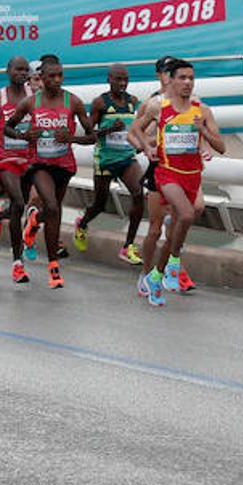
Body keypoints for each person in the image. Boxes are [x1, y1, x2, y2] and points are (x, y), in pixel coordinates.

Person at [128, 58, 225, 307]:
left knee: (182, 221)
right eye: (182, 78)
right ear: (167, 78)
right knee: (165, 224)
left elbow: (221, 146)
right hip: (163, 171)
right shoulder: (155, 105)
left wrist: (202, 133)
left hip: (191, 174)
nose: (187, 83)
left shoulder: (201, 110)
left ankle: (157, 276)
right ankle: (156, 268)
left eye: (191, 78)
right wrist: (146, 147)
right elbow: (134, 130)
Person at [5, 56, 94, 289]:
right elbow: (7, 127)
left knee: (50, 211)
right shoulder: (30, 103)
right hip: (39, 164)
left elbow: (91, 136)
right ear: (41, 78)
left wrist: (71, 138)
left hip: (64, 165)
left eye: (60, 76)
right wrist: (23, 136)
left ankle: (35, 220)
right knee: (53, 207)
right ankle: (53, 265)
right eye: (51, 76)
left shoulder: (72, 102)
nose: (56, 80)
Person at [73, 63, 145, 263]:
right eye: (118, 79)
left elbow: (135, 128)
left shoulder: (133, 102)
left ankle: (128, 246)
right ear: (109, 79)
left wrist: (140, 142)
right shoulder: (100, 103)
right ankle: (83, 223)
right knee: (99, 205)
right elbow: (89, 134)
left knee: (139, 194)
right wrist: (109, 130)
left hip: (127, 158)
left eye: (125, 79)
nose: (122, 83)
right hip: (105, 160)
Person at [0, 56, 34, 277]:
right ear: (8, 70)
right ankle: (17, 263)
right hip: (7, 158)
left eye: (25, 70)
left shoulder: (34, 96)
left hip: (30, 158)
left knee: (21, 206)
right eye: (17, 69)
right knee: (19, 202)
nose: (22, 73)